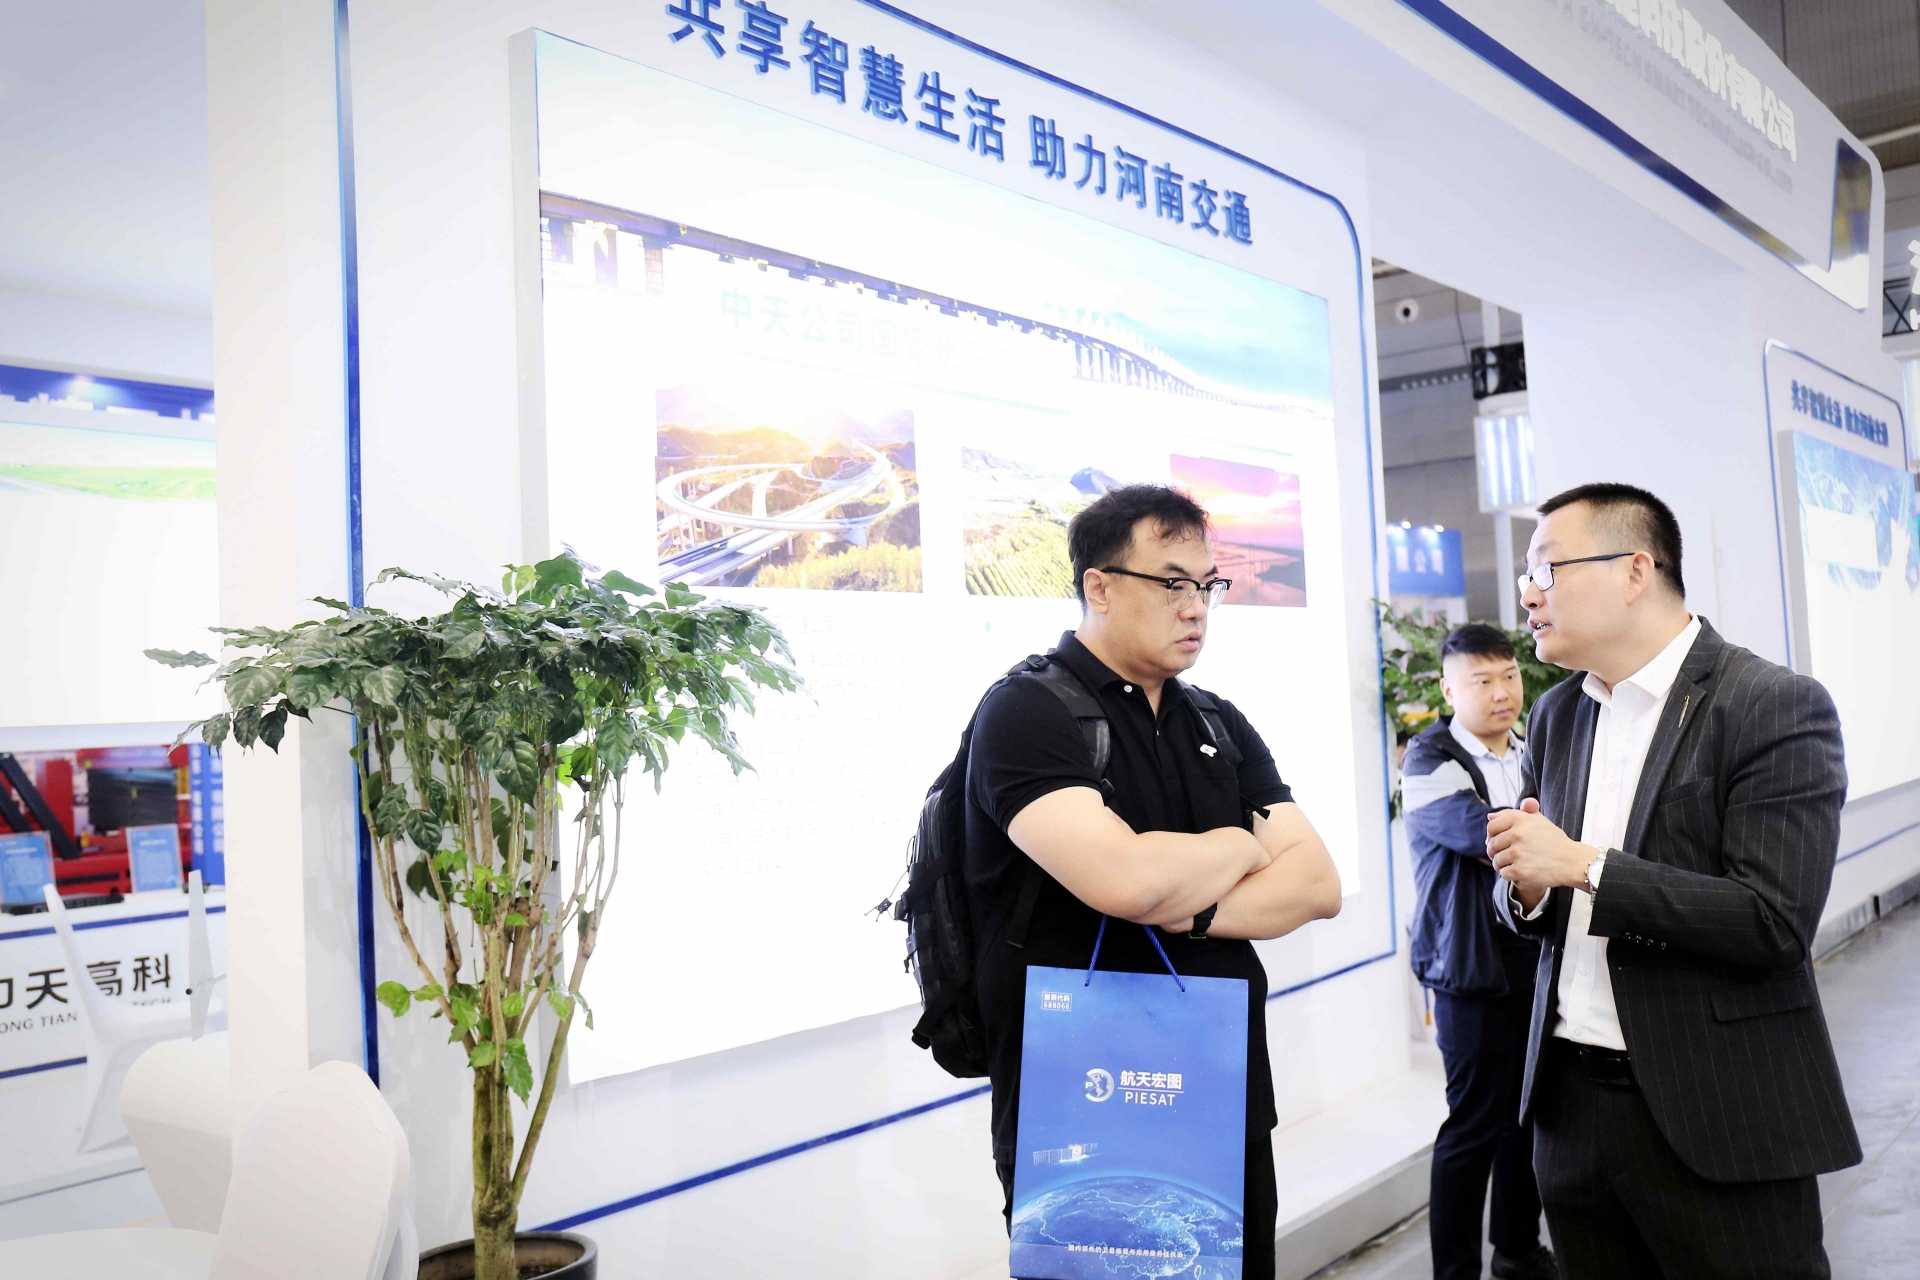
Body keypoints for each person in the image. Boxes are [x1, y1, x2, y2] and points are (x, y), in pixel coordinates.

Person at [963, 483, 1344, 1277]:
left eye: (1208, 585)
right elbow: (1128, 884)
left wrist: (1193, 910)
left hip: (1218, 1087)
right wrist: (1240, 843)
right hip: (1083, 1100)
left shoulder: (1217, 720)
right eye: (1172, 583)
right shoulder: (1027, 712)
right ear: (1099, 586)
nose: (1196, 607)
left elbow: (1316, 884)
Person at [1489, 483, 1861, 1280]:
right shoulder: (1558, 715)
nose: (1528, 594)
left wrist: (1583, 866)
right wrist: (1526, 886)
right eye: (1526, 575)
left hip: (1716, 1110)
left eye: (1547, 569)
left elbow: (1773, 921)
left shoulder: (1768, 705)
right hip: (1570, 1112)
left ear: (1635, 570)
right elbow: (1539, 884)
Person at [1402, 624, 1556, 1280]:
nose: (1501, 693)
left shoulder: (1532, 749)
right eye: (1482, 680)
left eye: (1509, 676)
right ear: (1448, 690)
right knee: (1471, 1127)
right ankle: (1456, 1273)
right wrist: (1550, 833)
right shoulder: (1427, 760)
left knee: (1527, 1117)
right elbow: (1491, 838)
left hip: (1534, 957)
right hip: (1465, 968)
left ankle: (1517, 1251)